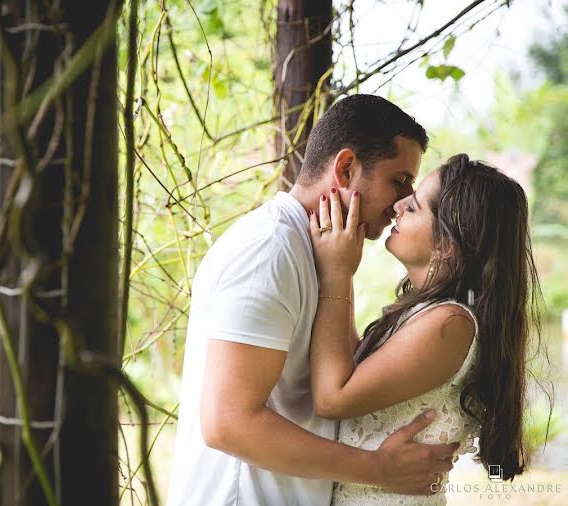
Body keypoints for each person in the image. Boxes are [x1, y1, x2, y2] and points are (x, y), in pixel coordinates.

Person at [167, 94, 458, 505]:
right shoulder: (269, 250)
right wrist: (378, 468)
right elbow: (227, 423)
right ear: (345, 168)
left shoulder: (326, 254)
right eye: (399, 180)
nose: (401, 203)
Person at [308, 154, 542, 505]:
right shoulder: (432, 314)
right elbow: (356, 373)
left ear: (447, 246)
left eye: (414, 207)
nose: (399, 204)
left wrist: (337, 275)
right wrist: (343, 267)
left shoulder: (450, 325)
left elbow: (333, 397)